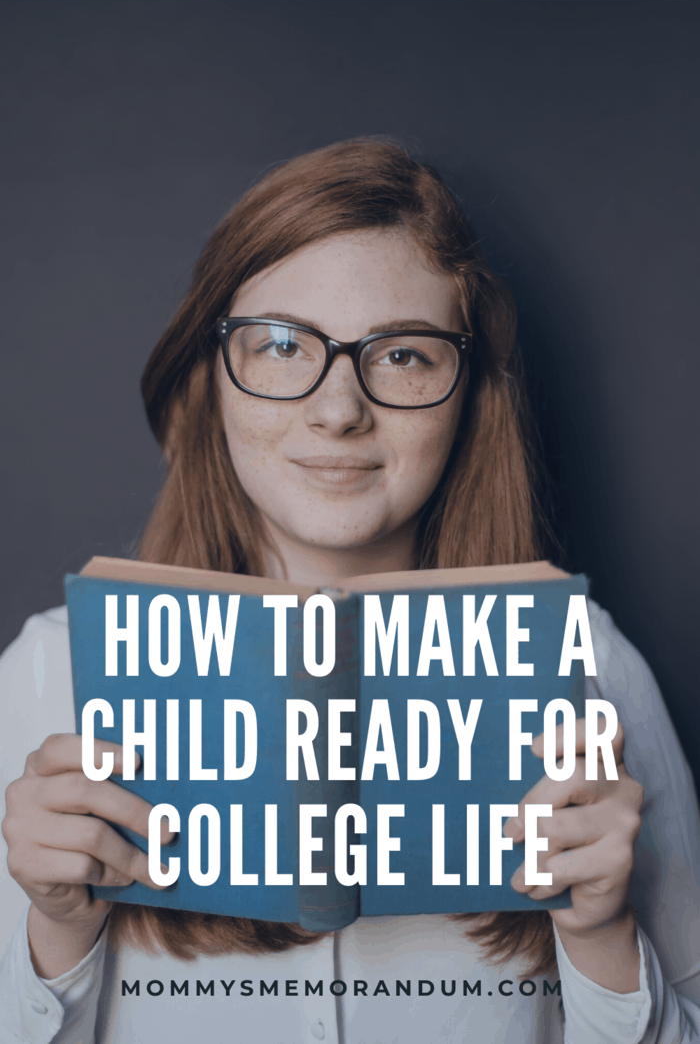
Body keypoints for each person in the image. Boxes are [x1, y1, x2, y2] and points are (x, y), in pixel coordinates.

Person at [1, 139, 699, 1044]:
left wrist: (601, 937)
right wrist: (58, 929)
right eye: (284, 345)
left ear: (468, 392)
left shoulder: (591, 667)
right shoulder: (47, 678)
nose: (338, 409)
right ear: (213, 375)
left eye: (403, 355)